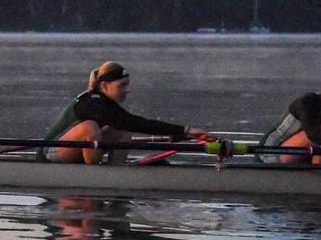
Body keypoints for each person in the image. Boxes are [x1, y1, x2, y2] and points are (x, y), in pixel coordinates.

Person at [41, 62, 206, 164]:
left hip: (73, 149)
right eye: (122, 86)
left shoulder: (106, 103)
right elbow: (138, 123)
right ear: (104, 86)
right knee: (90, 127)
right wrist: (186, 130)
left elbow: (132, 122)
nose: (127, 90)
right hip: (50, 153)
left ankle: (117, 171)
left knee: (122, 129)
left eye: (127, 84)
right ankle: (96, 174)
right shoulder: (93, 103)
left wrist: (184, 134)